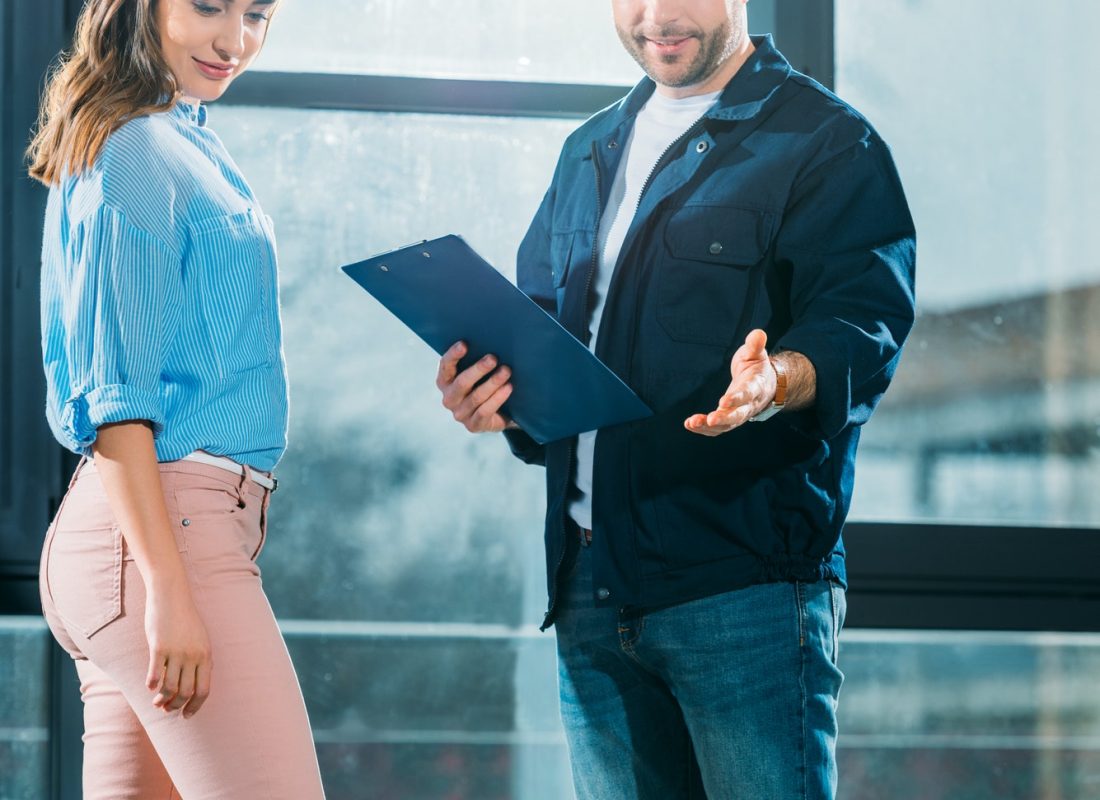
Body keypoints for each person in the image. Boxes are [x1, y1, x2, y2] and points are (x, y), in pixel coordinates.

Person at [436, 0, 916, 797]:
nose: (656, 16)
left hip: (743, 590)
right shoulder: (587, 150)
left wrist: (779, 379)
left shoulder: (827, 142)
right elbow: (547, 334)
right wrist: (496, 397)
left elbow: (863, 324)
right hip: (590, 589)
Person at [28, 1, 326, 797]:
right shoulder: (135, 149)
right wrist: (170, 591)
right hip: (164, 536)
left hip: (142, 538)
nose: (235, 40)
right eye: (207, 6)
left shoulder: (179, 136)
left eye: (257, 14)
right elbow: (116, 397)